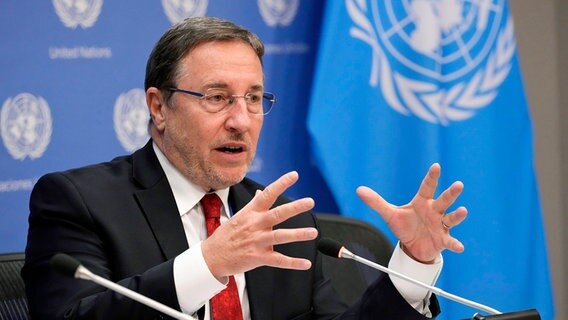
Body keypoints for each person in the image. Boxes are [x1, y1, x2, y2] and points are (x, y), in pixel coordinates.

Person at [22, 16, 467, 320]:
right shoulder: (78, 201)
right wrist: (207, 265)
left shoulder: (278, 220)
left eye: (253, 98)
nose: (240, 120)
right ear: (159, 107)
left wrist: (414, 264)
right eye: (216, 97)